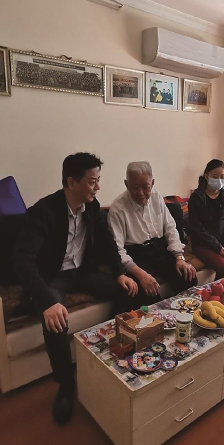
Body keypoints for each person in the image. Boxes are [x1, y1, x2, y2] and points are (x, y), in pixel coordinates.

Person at [13, 153, 137, 425]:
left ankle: (105, 352)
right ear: (71, 182)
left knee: (128, 290)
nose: (98, 187)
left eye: (98, 180)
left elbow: (107, 240)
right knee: (55, 319)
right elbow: (23, 261)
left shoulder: (91, 206)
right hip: (53, 276)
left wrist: (120, 273)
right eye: (92, 182)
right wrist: (47, 301)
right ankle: (66, 386)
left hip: (82, 272)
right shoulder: (43, 212)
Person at [108, 161, 197, 307]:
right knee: (147, 293)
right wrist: (141, 274)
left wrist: (179, 258)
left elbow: (170, 228)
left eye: (145, 187)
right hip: (136, 255)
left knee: (188, 277)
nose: (140, 193)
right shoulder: (118, 208)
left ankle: (183, 316)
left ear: (152, 183)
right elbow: (118, 250)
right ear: (126, 184)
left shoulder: (156, 197)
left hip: (160, 248)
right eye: (135, 187)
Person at [188, 159, 224, 285]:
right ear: (206, 175)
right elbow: (197, 228)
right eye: (215, 176)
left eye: (222, 177)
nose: (219, 180)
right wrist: (217, 247)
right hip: (203, 243)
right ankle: (217, 296)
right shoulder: (196, 197)